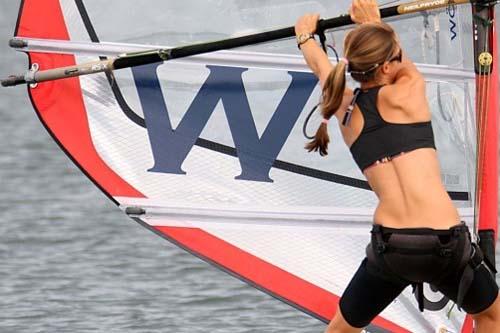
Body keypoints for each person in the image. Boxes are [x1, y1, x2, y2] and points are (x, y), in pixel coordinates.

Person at [295, 0, 500, 332]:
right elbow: (400, 60)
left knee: (340, 329)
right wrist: (371, 22)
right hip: (443, 244)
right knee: (491, 315)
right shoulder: (408, 92)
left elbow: (322, 68)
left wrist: (304, 36)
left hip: (391, 249)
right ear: (387, 66)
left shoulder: (343, 109)